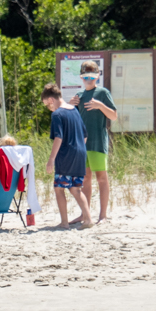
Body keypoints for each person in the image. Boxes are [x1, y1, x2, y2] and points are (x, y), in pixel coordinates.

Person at [69, 61, 117, 223]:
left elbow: (113, 116)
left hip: (97, 142)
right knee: (85, 179)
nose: (89, 79)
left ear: (97, 76)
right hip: (82, 145)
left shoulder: (103, 93)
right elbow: (69, 120)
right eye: (86, 76)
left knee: (101, 178)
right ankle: (85, 214)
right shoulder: (79, 97)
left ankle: (103, 215)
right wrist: (69, 106)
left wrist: (100, 105)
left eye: (92, 76)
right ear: (81, 78)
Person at [41, 83, 92, 229]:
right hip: (80, 152)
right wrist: (79, 149)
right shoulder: (74, 110)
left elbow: (59, 137)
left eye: (47, 104)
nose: (48, 108)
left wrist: (51, 159)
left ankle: (64, 222)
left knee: (59, 188)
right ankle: (88, 219)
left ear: (51, 100)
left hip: (66, 154)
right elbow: (85, 135)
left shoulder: (57, 114)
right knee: (76, 188)